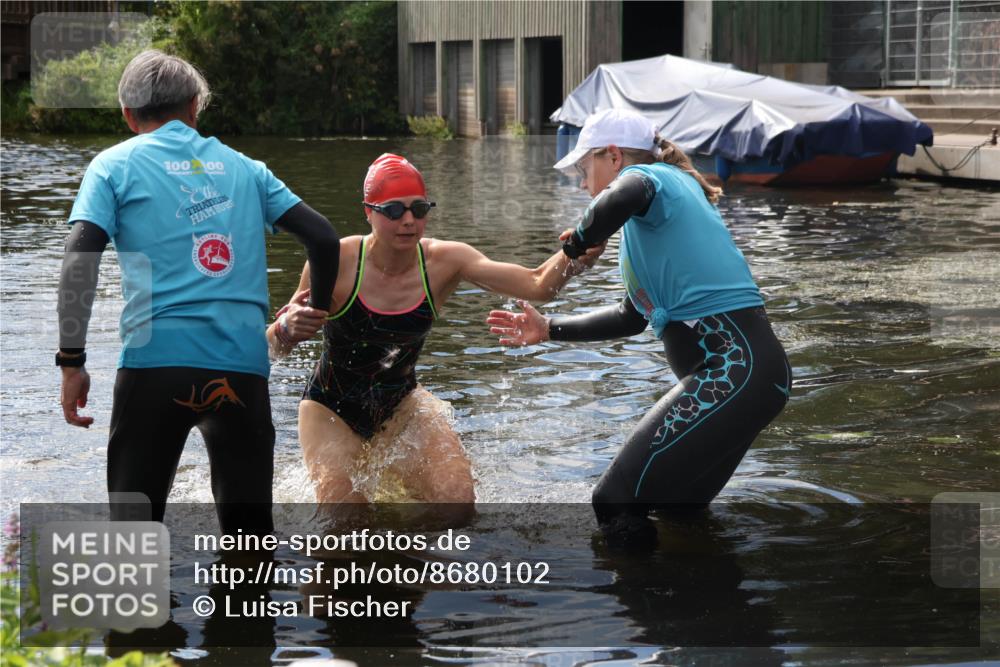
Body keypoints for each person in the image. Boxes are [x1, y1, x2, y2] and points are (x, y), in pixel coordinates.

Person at [57, 50, 340, 534]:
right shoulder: (247, 169)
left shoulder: (112, 167)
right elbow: (323, 237)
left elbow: (80, 260)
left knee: (132, 534)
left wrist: (72, 361)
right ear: (194, 107)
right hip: (240, 370)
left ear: (128, 114)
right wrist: (317, 306)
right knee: (249, 540)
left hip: (153, 369)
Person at [487, 108, 792, 530]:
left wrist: (578, 243)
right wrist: (548, 329)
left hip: (735, 372)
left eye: (583, 168)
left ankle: (630, 596)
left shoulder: (654, 179)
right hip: (750, 378)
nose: (581, 182)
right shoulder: (650, 222)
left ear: (613, 155)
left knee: (614, 500)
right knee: (677, 513)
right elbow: (631, 317)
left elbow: (623, 194)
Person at [268, 153, 603, 507]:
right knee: (345, 522)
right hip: (330, 409)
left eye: (419, 209)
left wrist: (576, 258)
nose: (409, 221)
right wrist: (285, 329)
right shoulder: (335, 261)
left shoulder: (446, 261)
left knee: (457, 504)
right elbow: (272, 347)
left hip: (401, 404)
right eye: (394, 211)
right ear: (369, 211)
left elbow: (537, 284)